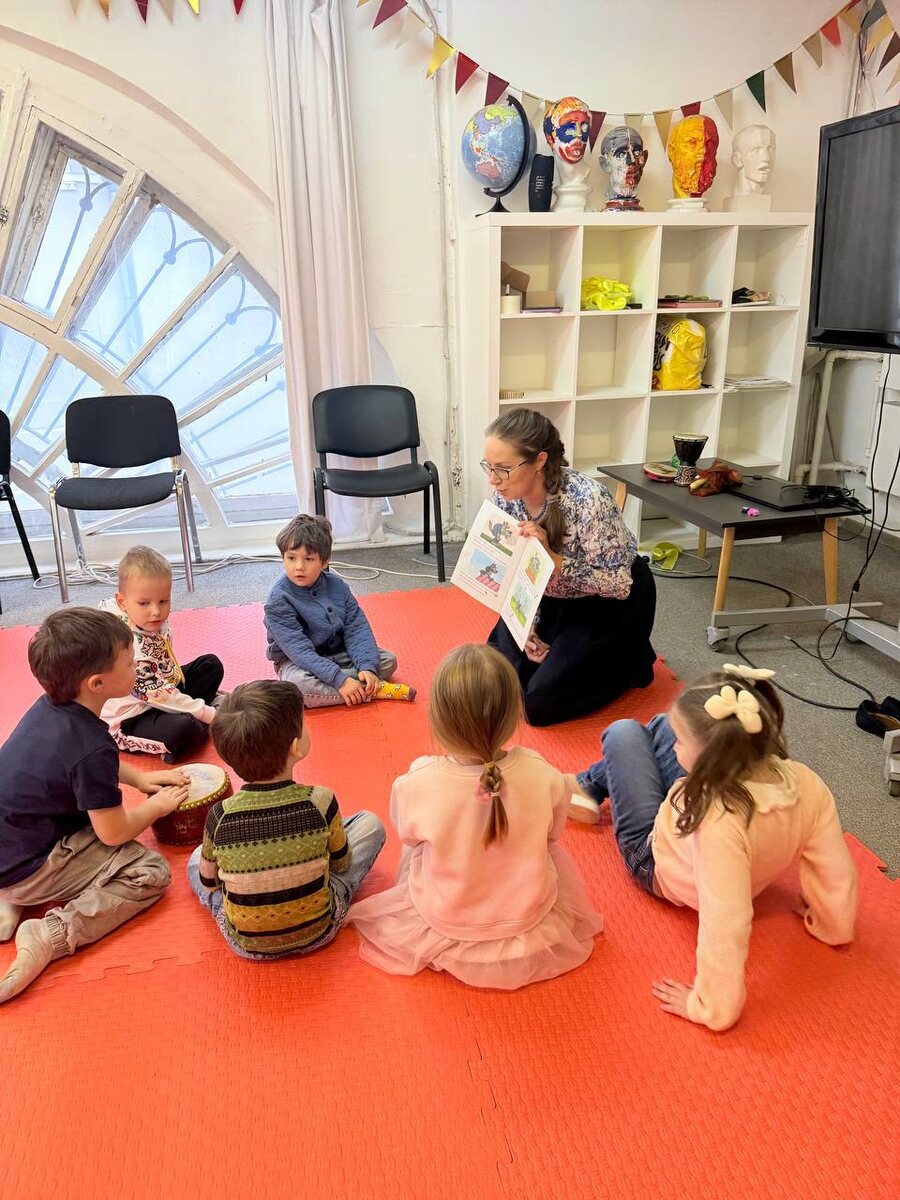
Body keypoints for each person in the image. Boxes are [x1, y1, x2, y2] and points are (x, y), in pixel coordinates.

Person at [569, 664, 858, 1031]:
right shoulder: (807, 781)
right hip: (703, 836)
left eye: (682, 744)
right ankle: (589, 785)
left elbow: (726, 920)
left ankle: (587, 785)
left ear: (711, 759)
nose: (676, 748)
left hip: (652, 857)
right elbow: (833, 867)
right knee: (664, 724)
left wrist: (710, 1006)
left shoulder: (717, 821)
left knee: (624, 732)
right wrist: (834, 925)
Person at [347, 644, 603, 989]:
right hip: (528, 914)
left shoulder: (418, 780)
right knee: (544, 847)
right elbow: (553, 836)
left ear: (438, 719)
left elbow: (409, 836)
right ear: (513, 715)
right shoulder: (543, 772)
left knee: (415, 850)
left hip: (448, 915)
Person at [0, 608, 189, 1005]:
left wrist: (139, 779)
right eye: (129, 662)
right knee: (148, 872)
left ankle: (12, 898)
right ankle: (50, 933)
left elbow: (81, 763)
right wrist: (158, 806)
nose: (136, 665)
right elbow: (114, 832)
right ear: (98, 683)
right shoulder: (91, 747)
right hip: (31, 863)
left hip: (10, 839)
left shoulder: (48, 708)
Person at [481, 407, 656, 726]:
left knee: (538, 705)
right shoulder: (505, 497)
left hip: (605, 603)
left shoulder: (589, 499)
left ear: (539, 461)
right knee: (492, 678)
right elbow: (514, 569)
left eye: (503, 469)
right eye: (488, 467)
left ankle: (631, 658)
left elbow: (619, 585)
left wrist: (555, 560)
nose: (493, 480)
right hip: (546, 596)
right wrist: (527, 624)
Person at [187, 680, 385, 957]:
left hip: (245, 944)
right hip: (319, 931)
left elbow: (210, 884)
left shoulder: (219, 815)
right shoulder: (320, 800)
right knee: (370, 824)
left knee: (197, 858)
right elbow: (341, 864)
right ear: (295, 747)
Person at [264, 513, 413, 707]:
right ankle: (371, 690)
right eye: (291, 558)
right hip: (297, 662)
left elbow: (356, 628)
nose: (299, 567)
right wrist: (340, 680)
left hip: (338, 652)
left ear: (324, 561)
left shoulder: (337, 586)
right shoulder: (277, 600)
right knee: (298, 686)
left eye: (308, 559)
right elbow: (299, 651)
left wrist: (367, 667)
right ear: (283, 557)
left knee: (387, 660)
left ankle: (356, 685)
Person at [100, 545, 224, 762]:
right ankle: (190, 724)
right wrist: (212, 715)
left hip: (162, 688)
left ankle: (194, 713)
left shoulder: (146, 619)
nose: (156, 611)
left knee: (210, 665)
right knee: (185, 729)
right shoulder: (129, 646)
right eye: (144, 603)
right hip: (132, 715)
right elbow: (158, 693)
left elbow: (164, 680)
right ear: (122, 602)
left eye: (163, 601)